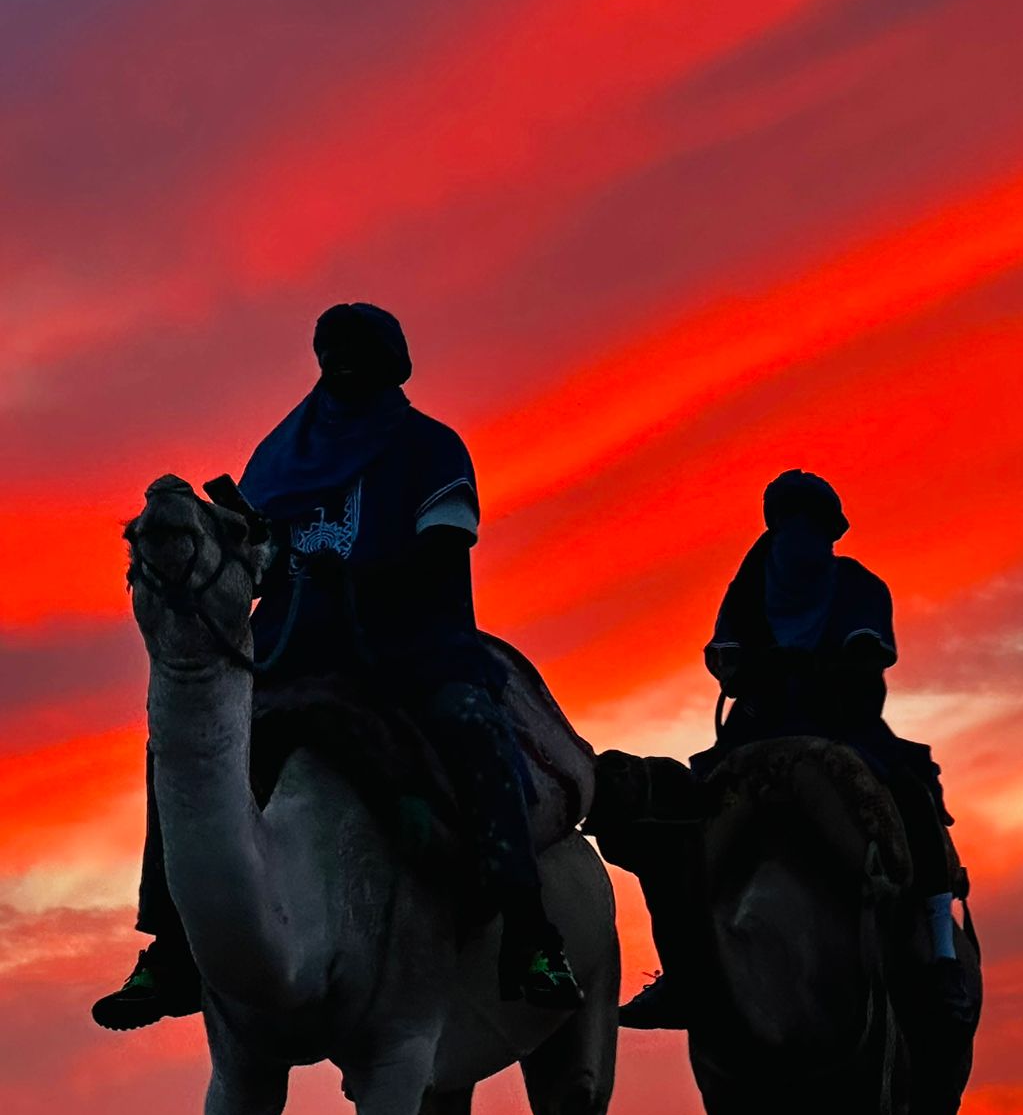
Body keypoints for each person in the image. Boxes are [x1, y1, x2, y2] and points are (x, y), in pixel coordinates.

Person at [92, 302, 582, 1031]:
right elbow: (255, 564)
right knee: (183, 750)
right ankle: (170, 947)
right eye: (333, 349)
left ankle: (529, 934)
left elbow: (444, 550)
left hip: (411, 645)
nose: (343, 362)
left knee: (471, 724)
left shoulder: (431, 448)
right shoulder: (279, 455)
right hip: (293, 648)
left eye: (360, 351)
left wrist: (352, 575)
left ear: (392, 364)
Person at [616, 468, 969, 1030]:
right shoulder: (747, 592)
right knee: (682, 819)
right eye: (791, 524)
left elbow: (868, 655)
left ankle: (942, 955)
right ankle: (682, 971)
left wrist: (828, 665)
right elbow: (725, 657)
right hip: (756, 728)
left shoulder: (858, 586)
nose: (802, 537)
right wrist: (750, 668)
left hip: (845, 725)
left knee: (909, 796)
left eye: (813, 526)